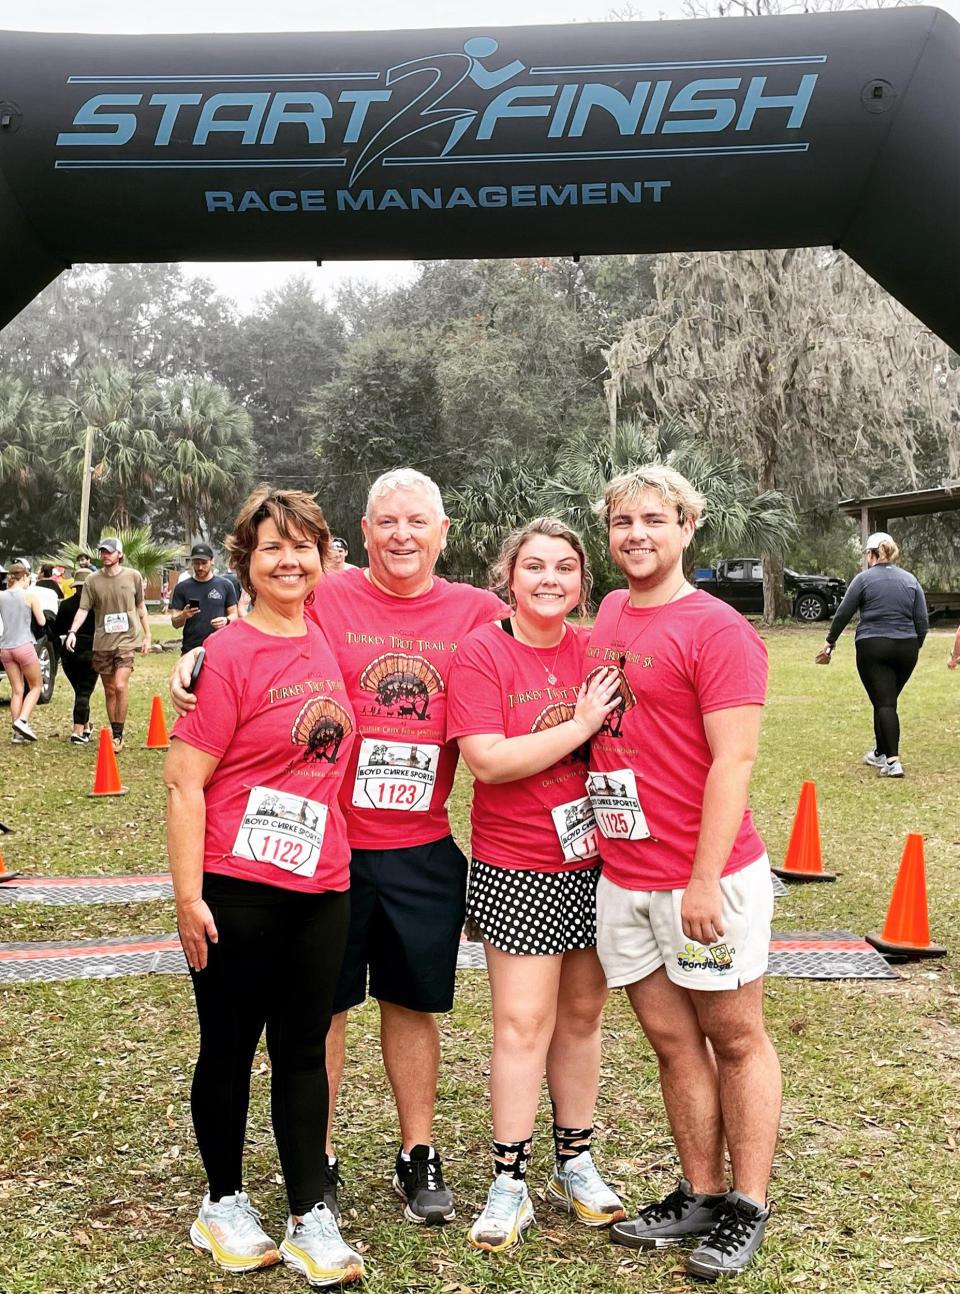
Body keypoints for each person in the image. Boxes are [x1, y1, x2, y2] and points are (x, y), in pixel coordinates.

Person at [172, 469, 508, 1229]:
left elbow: (542, 657)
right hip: (323, 847)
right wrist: (189, 664)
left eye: (418, 522)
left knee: (413, 1001)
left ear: (443, 531)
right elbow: (253, 629)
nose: (402, 536)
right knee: (319, 1012)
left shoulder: (481, 613)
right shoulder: (327, 594)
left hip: (423, 847)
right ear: (361, 531)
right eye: (388, 522)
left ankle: (416, 1152)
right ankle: (314, 1157)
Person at [164, 486, 365, 1287]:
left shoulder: (323, 629)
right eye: (270, 548)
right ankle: (221, 1202)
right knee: (230, 1048)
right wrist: (188, 899)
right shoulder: (228, 654)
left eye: (302, 547)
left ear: (322, 558)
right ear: (245, 561)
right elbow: (184, 783)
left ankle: (310, 1212)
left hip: (323, 883)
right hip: (237, 888)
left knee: (305, 1050)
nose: (288, 560)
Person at [583, 466, 778, 1281]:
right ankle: (699, 1192)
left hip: (705, 877)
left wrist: (701, 880)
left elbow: (733, 760)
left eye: (654, 520)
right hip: (624, 873)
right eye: (623, 521)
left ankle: (747, 1207)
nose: (637, 534)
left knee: (734, 1039)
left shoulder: (718, 629)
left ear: (687, 528)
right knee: (671, 1042)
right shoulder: (611, 611)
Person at [447, 519, 624, 1252]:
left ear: (583, 582)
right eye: (535, 567)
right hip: (517, 864)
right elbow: (488, 761)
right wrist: (581, 723)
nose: (550, 580)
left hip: (598, 863)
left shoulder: (596, 652)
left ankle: (575, 1163)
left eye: (565, 568)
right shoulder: (484, 651)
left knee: (582, 1019)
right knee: (523, 1025)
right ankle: (508, 1180)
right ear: (509, 577)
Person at [818, 531, 927, 779]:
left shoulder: (864, 579)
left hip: (873, 646)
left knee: (884, 702)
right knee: (886, 701)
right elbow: (922, 621)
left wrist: (830, 641)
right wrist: (914, 646)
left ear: (871, 554)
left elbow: (844, 613)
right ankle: (880, 751)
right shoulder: (911, 580)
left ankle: (892, 762)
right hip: (907, 647)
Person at [64, 537, 151, 754]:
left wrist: (147, 635)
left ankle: (119, 735)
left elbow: (141, 607)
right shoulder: (93, 580)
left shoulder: (133, 576)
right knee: (110, 690)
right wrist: (72, 632)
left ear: (119, 554)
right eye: (102, 551)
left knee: (120, 686)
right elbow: (83, 609)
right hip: (102, 642)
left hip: (127, 639)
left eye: (109, 552)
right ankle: (115, 733)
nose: (105, 555)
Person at [0, 562, 46, 742]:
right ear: (25, 577)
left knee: (17, 690)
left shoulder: (1, 596)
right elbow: (41, 621)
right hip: (24, 645)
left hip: (5, 647)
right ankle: (23, 720)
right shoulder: (30, 596)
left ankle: (18, 734)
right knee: (36, 686)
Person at [170, 543, 238, 654]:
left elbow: (235, 615)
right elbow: (175, 623)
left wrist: (227, 620)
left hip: (219, 648)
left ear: (212, 561)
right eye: (196, 563)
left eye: (204, 563)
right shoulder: (182, 587)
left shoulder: (225, 585)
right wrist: (184, 615)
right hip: (191, 649)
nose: (200, 567)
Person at [54, 580, 98, 744]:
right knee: (84, 692)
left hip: (69, 654)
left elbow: (58, 629)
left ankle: (86, 726)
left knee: (80, 691)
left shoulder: (65, 605)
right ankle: (78, 730)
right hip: (91, 650)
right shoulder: (97, 605)